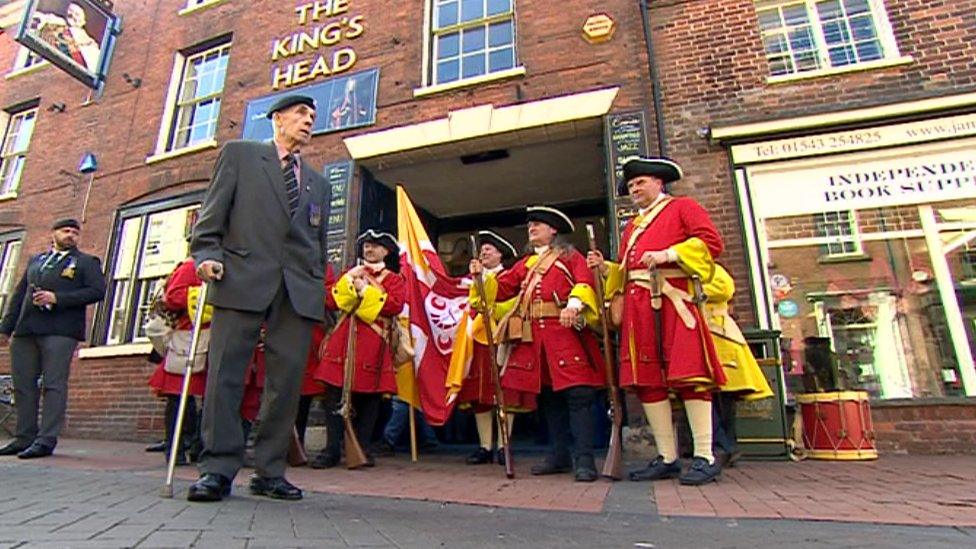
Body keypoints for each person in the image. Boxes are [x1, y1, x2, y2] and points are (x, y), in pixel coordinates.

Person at [187, 94, 330, 502]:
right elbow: (210, 220)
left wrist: (316, 286)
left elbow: (317, 243)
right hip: (241, 278)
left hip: (297, 290)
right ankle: (217, 468)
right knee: (226, 375)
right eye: (301, 113)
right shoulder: (241, 156)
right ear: (277, 118)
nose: (308, 120)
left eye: (312, 115)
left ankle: (270, 470)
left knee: (285, 384)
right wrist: (207, 256)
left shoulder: (319, 183)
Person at [587, 157, 727, 486]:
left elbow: (710, 243)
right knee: (648, 381)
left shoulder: (683, 207)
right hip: (638, 308)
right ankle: (667, 457)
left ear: (659, 183)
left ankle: (705, 456)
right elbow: (627, 271)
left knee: (691, 376)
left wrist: (670, 254)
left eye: (640, 182)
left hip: (673, 301)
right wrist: (606, 268)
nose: (634, 189)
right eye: (631, 185)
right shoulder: (632, 227)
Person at [471, 207, 605, 482]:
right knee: (549, 399)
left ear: (553, 230)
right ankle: (559, 455)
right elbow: (500, 290)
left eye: (538, 225)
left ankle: (585, 460)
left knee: (578, 397)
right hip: (537, 342)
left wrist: (574, 305)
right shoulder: (525, 264)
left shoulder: (570, 256)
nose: (531, 228)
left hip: (566, 334)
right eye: (530, 225)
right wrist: (480, 276)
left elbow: (585, 282)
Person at [0, 218, 106, 459]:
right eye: (65, 231)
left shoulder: (86, 262)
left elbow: (97, 291)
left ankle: (46, 439)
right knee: (23, 384)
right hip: (26, 329)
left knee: (53, 384)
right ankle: (24, 437)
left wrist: (57, 298)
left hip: (60, 330)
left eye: (74, 232)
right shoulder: (36, 261)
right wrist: (5, 328)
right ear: (54, 234)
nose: (70, 235)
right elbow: (19, 295)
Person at [311, 230, 405, 469]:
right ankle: (332, 450)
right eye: (366, 246)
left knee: (369, 399)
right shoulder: (350, 273)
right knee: (333, 395)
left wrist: (365, 291)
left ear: (386, 251)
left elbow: (394, 305)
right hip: (342, 341)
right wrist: (350, 282)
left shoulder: (394, 279)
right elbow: (331, 301)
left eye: (375, 246)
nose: (369, 249)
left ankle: (362, 448)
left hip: (373, 344)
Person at [448, 230, 534, 466]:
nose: (484, 252)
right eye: (482, 249)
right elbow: (474, 303)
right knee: (481, 395)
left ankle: (504, 445)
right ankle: (485, 446)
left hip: (504, 339)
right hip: (478, 341)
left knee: (506, 395)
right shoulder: (473, 279)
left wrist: (494, 309)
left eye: (489, 249)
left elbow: (516, 303)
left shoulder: (510, 277)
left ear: (500, 255)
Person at [703, 264, 773, 467]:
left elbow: (724, 288)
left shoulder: (712, 270)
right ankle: (724, 446)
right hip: (705, 341)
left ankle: (724, 446)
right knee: (710, 398)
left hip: (720, 339)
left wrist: (687, 288)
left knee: (722, 399)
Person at [146, 256, 208, 466]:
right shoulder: (191, 266)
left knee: (210, 398)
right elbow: (173, 297)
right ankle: (176, 448)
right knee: (179, 395)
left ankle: (198, 447)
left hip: (215, 338)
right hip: (189, 338)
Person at [33, 3, 101, 71]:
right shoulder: (56, 22)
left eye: (77, 14)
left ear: (83, 22)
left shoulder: (91, 46)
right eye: (71, 11)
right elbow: (38, 17)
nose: (72, 15)